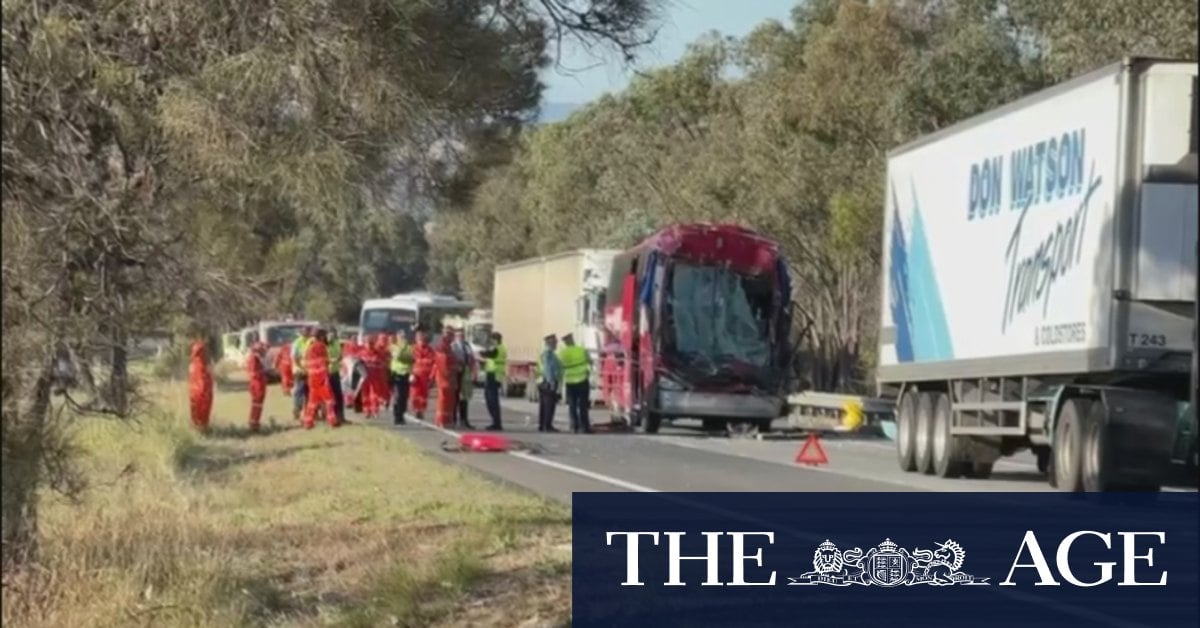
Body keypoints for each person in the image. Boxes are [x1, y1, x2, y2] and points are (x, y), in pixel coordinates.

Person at [301, 329, 339, 429]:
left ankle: (308, 422)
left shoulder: (310, 347)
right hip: (321, 377)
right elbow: (323, 360)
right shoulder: (321, 346)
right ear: (321, 336)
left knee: (312, 401)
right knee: (329, 399)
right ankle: (332, 421)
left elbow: (306, 362)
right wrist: (334, 360)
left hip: (312, 377)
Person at [558, 333, 592, 434]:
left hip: (570, 382)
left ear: (565, 342)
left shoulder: (563, 353)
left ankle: (573, 427)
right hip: (582, 380)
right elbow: (590, 361)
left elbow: (560, 366)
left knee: (572, 405)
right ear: (572, 339)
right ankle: (584, 427)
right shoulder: (581, 349)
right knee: (583, 405)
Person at [479, 332, 507, 431]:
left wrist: (481, 352)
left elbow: (488, 354)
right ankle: (496, 422)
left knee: (492, 400)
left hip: (493, 375)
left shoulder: (497, 348)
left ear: (496, 340)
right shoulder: (500, 348)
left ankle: (496, 423)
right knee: (491, 399)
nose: (491, 341)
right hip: (495, 375)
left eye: (492, 339)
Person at [432, 332, 459, 429]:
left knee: (449, 401)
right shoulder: (442, 350)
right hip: (444, 378)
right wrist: (454, 368)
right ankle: (441, 420)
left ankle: (447, 420)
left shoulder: (449, 349)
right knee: (443, 400)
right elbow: (444, 366)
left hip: (450, 378)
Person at [537, 334, 562, 433]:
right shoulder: (548, 354)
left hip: (542, 381)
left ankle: (543, 425)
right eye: (555, 342)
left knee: (544, 405)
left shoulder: (545, 353)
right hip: (547, 382)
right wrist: (551, 382)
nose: (556, 344)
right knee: (549, 405)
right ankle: (547, 425)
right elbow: (549, 369)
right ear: (550, 343)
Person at [451, 328, 475, 429]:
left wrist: (472, 369)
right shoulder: (453, 346)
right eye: (459, 335)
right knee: (455, 397)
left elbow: (471, 357)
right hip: (456, 373)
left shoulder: (466, 345)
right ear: (455, 337)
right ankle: (453, 419)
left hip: (465, 372)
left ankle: (464, 420)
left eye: (462, 335)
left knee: (464, 397)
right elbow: (452, 358)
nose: (461, 337)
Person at [188, 339, 214, 433]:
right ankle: (202, 429)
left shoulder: (193, 363)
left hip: (195, 392)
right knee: (201, 412)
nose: (207, 354)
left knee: (196, 412)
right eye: (205, 351)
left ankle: (199, 427)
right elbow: (202, 380)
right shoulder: (200, 365)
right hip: (201, 393)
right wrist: (206, 392)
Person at [409, 330, 435, 420]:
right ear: (416, 340)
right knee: (414, 394)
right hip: (416, 375)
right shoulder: (412, 349)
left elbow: (434, 364)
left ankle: (421, 410)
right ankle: (416, 408)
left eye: (423, 339)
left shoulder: (430, 350)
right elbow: (409, 363)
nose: (421, 341)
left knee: (424, 395)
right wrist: (410, 374)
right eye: (419, 339)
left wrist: (432, 377)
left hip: (426, 376)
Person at [389, 331, 414, 425]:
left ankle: (401, 415)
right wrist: (402, 348)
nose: (403, 338)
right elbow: (399, 356)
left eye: (404, 337)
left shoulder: (410, 347)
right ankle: (397, 416)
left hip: (406, 374)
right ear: (397, 337)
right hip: (396, 374)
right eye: (401, 337)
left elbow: (411, 358)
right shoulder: (394, 347)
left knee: (404, 397)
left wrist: (407, 356)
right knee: (398, 396)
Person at [290, 326, 314, 421]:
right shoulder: (297, 342)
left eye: (309, 331)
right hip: (299, 371)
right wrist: (302, 367)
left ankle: (308, 413)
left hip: (310, 371)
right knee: (299, 392)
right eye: (306, 331)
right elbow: (294, 357)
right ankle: (297, 411)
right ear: (302, 332)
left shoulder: (311, 341)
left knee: (309, 392)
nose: (307, 333)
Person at [245, 341, 268, 433]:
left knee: (257, 405)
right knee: (257, 405)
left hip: (257, 384)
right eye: (262, 351)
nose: (264, 353)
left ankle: (255, 423)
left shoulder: (254, 358)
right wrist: (263, 373)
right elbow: (254, 374)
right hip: (257, 385)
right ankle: (253, 424)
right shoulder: (254, 358)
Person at [326, 325, 346, 425]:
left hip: (335, 372)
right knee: (329, 396)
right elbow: (323, 357)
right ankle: (331, 417)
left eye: (333, 333)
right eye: (330, 333)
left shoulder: (337, 343)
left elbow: (340, 354)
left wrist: (340, 358)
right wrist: (332, 360)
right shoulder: (324, 344)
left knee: (339, 395)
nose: (332, 335)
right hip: (327, 373)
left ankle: (341, 416)